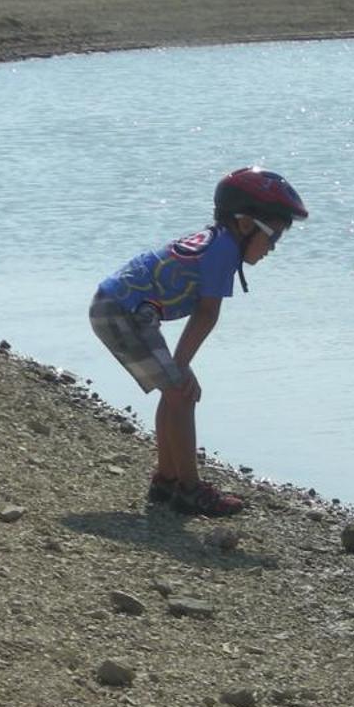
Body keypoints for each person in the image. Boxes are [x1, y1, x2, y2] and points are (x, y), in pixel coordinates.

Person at [88, 166, 308, 516]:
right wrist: (182, 365)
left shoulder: (219, 241)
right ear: (247, 224)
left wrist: (179, 367)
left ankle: (166, 479)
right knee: (180, 392)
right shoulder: (224, 250)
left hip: (117, 306)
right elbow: (206, 313)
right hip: (121, 312)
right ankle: (189, 490)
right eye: (275, 237)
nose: (274, 249)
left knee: (176, 391)